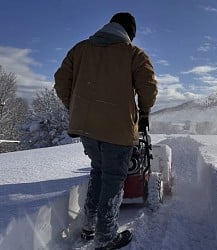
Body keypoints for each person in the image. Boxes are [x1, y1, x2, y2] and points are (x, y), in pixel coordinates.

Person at [54, 12, 157, 249]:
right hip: (118, 130)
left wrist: (75, 107)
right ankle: (106, 236)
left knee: (98, 172)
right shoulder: (134, 54)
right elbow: (148, 88)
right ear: (129, 33)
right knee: (112, 179)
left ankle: (89, 225)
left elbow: (61, 80)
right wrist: (143, 113)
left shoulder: (80, 49)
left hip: (87, 129)